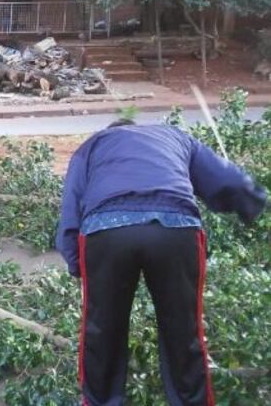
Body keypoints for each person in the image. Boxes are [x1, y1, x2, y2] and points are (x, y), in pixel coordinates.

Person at [56, 120, 266, 406]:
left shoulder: (92, 145)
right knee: (184, 331)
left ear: (110, 130)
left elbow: (71, 204)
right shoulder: (175, 136)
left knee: (101, 331)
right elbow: (224, 178)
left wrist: (76, 262)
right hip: (175, 229)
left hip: (107, 230)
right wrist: (253, 204)